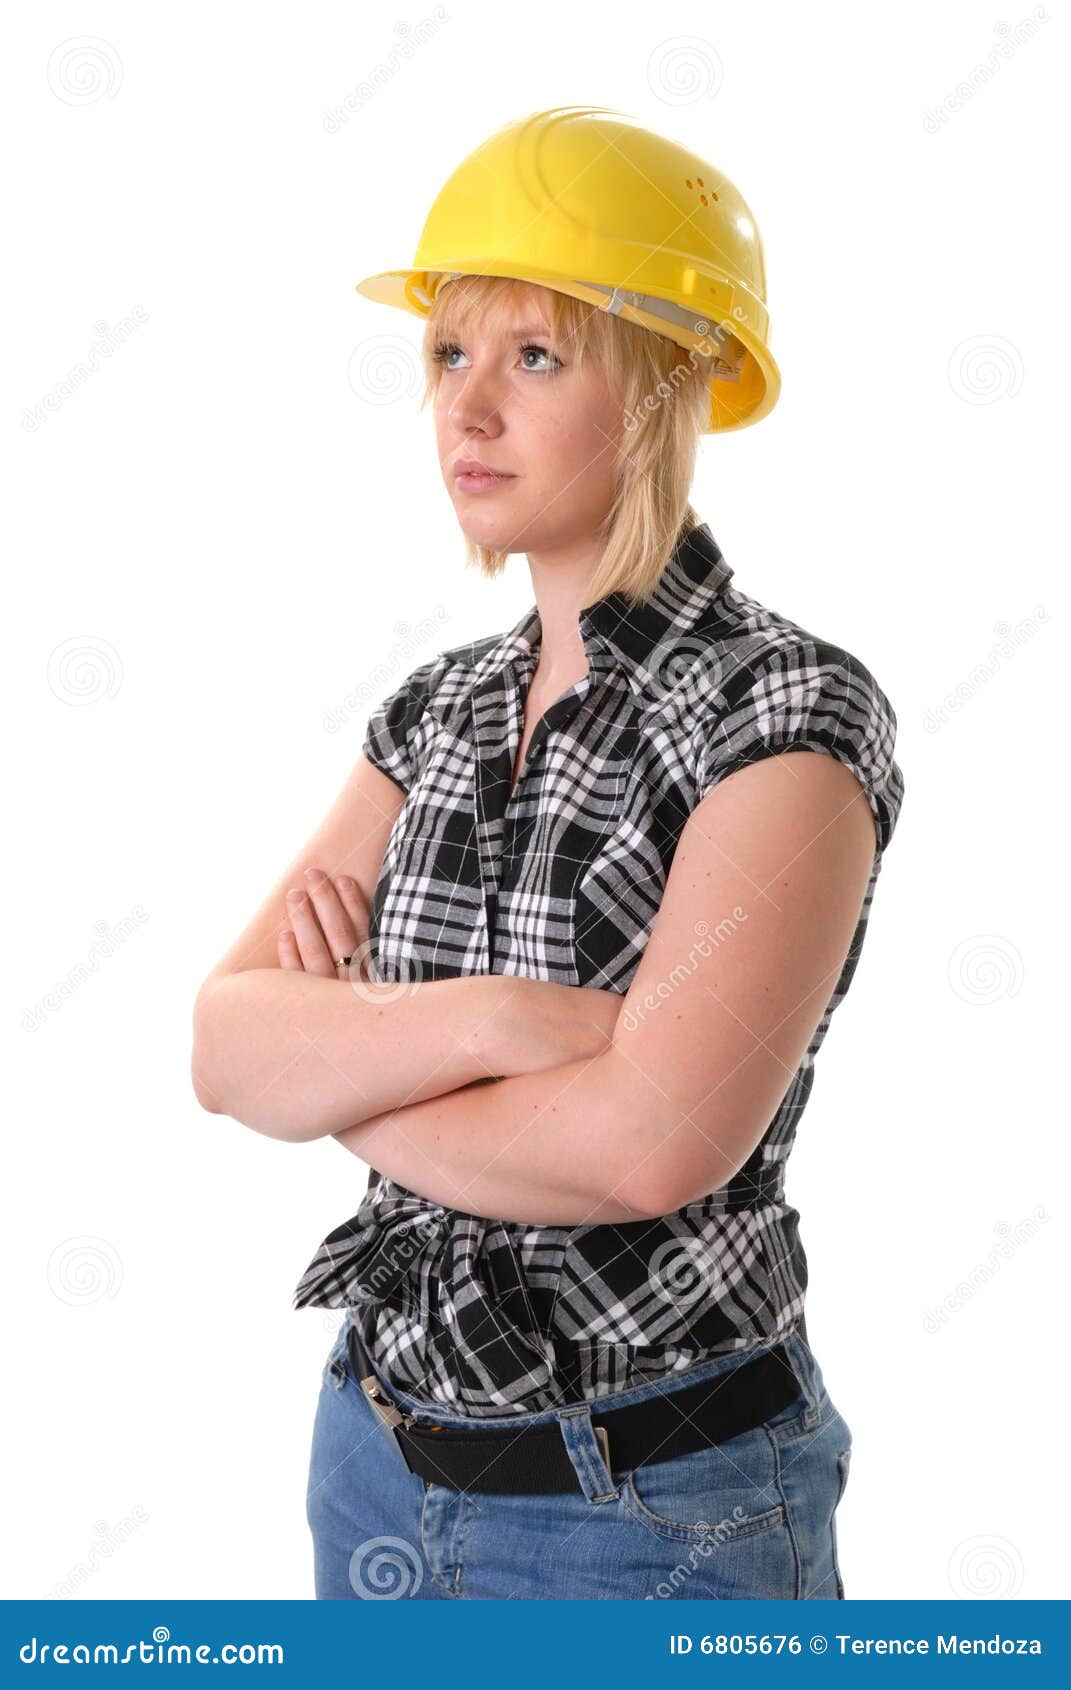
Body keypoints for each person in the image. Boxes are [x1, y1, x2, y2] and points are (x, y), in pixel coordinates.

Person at [193, 107, 904, 1601]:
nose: (469, 410)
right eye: (451, 354)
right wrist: (498, 1025)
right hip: (374, 1453)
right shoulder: (433, 708)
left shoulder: (785, 714)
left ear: (664, 383)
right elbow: (226, 1047)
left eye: (535, 356)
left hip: (654, 1498)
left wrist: (355, 1071)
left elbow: (650, 1143)